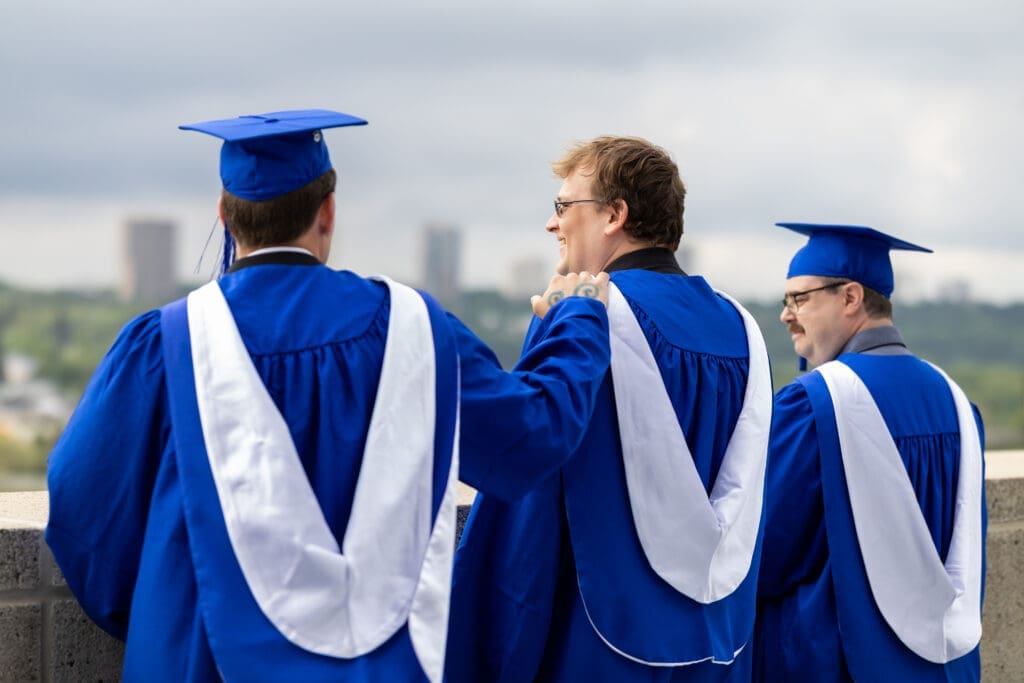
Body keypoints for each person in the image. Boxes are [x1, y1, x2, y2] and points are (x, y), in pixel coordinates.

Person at [45, 109, 614, 683]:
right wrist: (579, 318)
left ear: (225, 216)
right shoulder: (415, 330)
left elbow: (84, 511)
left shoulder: (164, 345)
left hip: (197, 654)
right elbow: (533, 435)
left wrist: (161, 605)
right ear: (328, 211)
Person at [446, 136, 773, 682]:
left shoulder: (581, 317)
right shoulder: (743, 329)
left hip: (597, 645)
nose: (553, 225)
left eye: (563, 207)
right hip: (718, 649)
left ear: (614, 215)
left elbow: (529, 513)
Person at [754, 223, 987, 682]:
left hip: (832, 662)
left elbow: (763, 552)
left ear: (851, 297)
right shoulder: (957, 403)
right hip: (942, 667)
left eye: (799, 298)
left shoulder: (814, 404)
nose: (786, 315)